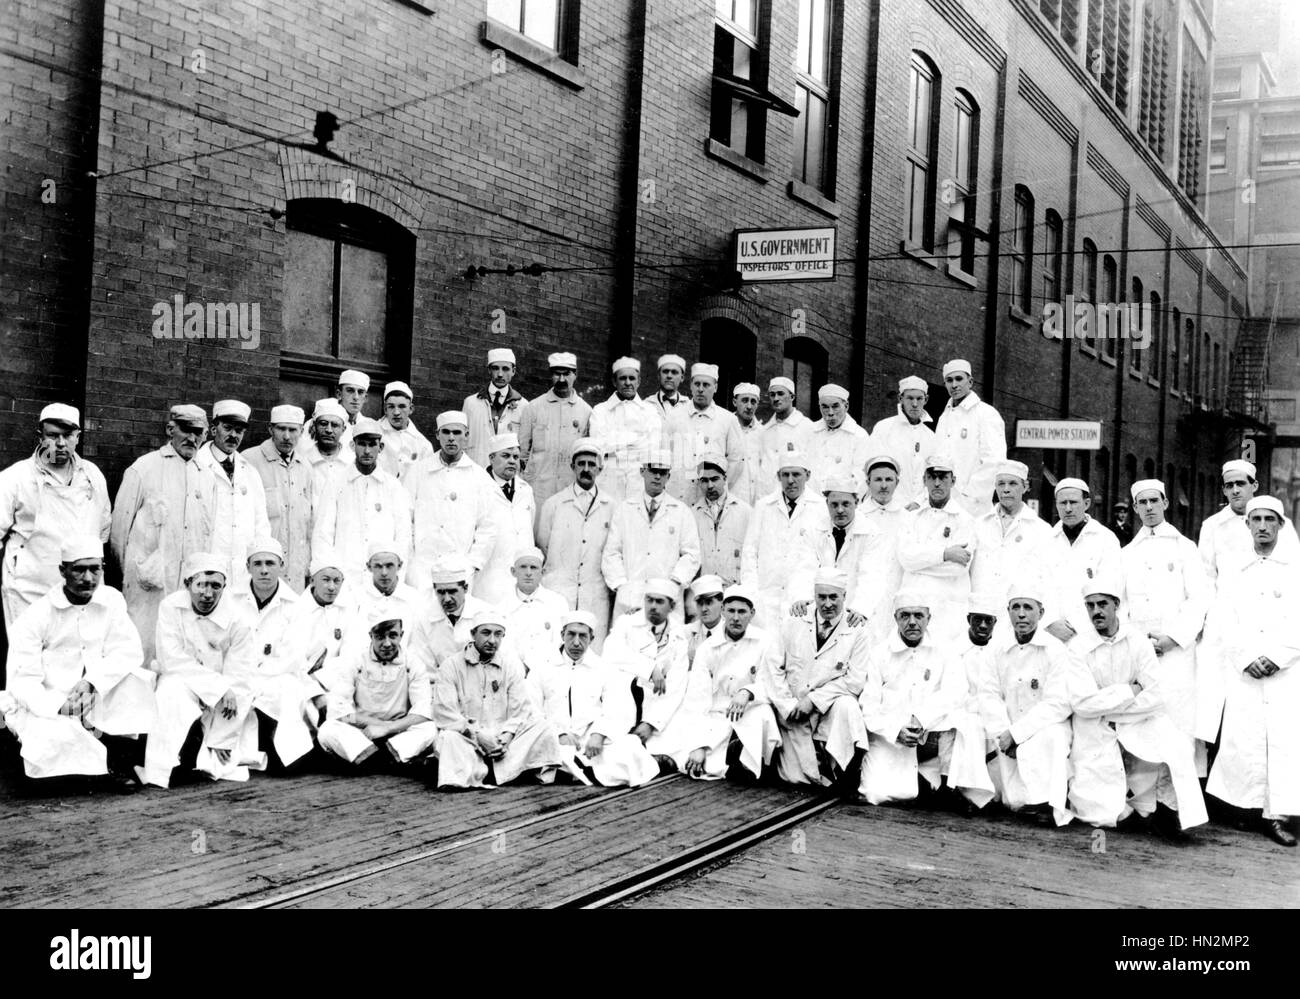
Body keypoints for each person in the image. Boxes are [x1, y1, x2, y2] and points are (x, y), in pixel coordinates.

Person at [1, 537, 155, 785]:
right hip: (52, 701)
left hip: (94, 693)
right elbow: (23, 681)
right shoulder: (36, 616)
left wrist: (92, 683)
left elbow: (128, 650)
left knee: (135, 683)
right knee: (53, 741)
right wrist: (59, 706)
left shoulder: (111, 600)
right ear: (63, 571)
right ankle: (101, 768)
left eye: (95, 569)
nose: (88, 578)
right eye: (79, 569)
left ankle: (115, 758)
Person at [1070, 579, 1209, 836]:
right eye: (1090, 605)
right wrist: (1129, 691)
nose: (1096, 611)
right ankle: (1127, 813)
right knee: (1095, 802)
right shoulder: (1078, 647)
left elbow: (1156, 696)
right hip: (1096, 726)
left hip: (1138, 719)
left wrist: (1109, 706)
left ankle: (1170, 811)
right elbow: (1081, 704)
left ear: (1116, 605)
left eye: (1102, 604)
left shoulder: (1138, 641)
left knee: (1177, 746)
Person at [1204, 496, 1300, 846]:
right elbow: (1224, 620)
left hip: (1286, 671)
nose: (1262, 525)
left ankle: (1277, 814)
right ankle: (1246, 808)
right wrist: (1245, 657)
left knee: (1283, 742)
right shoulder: (1235, 569)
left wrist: (1279, 655)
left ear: (1280, 524)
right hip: (1246, 669)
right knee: (1244, 739)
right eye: (1255, 519)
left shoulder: (1295, 567)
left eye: (1268, 519)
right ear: (1247, 525)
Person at [857, 591, 995, 809]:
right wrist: (896, 731)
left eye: (918, 616)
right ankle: (926, 784)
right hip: (892, 737)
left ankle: (952, 787)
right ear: (895, 618)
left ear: (928, 619)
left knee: (964, 721)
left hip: (930, 733)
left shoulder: (945, 650)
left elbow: (956, 691)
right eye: (905, 615)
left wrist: (922, 719)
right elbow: (869, 706)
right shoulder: (879, 654)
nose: (912, 622)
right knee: (877, 793)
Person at [138, 552, 263, 788]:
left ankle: (198, 750)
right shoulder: (170, 607)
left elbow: (240, 678)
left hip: (225, 696)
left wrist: (223, 737)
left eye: (215, 586)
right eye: (201, 585)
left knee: (216, 762)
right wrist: (218, 688)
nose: (207, 594)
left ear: (224, 586)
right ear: (188, 584)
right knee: (169, 692)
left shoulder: (239, 620)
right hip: (183, 681)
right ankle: (161, 770)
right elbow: (171, 659)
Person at [110, 404, 214, 661]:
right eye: (185, 430)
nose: (192, 438)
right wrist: (135, 573)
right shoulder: (144, 468)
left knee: (181, 651)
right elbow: (118, 533)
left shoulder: (207, 475)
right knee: (143, 648)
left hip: (187, 584)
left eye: (198, 432)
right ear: (170, 429)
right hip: (148, 584)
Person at [1121, 479, 1211, 772]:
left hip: (1176, 652)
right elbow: (1120, 604)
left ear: (1165, 503)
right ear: (1135, 508)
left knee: (1177, 720)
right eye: (1142, 503)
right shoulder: (1126, 554)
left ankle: (1173, 804)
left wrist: (1173, 637)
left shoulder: (1185, 548)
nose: (1149, 507)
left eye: (1154, 501)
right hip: (1141, 650)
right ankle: (1146, 805)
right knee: (1143, 722)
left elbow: (1198, 600)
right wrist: (1137, 643)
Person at [0, 404, 111, 628]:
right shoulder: (15, 478)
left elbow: (102, 529)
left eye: (68, 435)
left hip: (82, 590)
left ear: (78, 437)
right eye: (53, 435)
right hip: (29, 590)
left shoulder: (92, 476)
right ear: (40, 436)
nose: (60, 444)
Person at [976, 583, 1074, 825]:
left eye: (1028, 608)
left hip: (1042, 728)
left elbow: (1058, 703)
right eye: (1016, 607)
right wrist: (1003, 733)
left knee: (1055, 736)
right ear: (1007, 611)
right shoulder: (994, 649)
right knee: (1009, 798)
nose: (1021, 614)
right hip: (1004, 733)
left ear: (1041, 613)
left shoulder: (1056, 650)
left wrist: (1017, 733)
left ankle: (1046, 804)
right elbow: (988, 694)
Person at [431, 609, 562, 788]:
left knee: (544, 727)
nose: (492, 640)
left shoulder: (510, 666)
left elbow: (521, 709)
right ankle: (497, 771)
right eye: (486, 633)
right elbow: (444, 712)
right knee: (448, 738)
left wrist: (507, 736)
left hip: (502, 742)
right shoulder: (451, 666)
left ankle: (491, 770)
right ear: (473, 634)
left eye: (498, 634)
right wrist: (477, 735)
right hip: (468, 739)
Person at [533, 610, 658, 786]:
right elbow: (531, 709)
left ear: (592, 638)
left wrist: (599, 734)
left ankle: (574, 769)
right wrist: (557, 734)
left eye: (583, 636)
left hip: (590, 739)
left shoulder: (603, 668)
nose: (576, 642)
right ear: (562, 635)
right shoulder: (543, 667)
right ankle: (577, 769)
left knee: (630, 747)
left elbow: (618, 707)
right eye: (571, 634)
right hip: (552, 736)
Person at [228, 538, 321, 772]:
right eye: (257, 563)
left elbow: (293, 657)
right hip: (237, 675)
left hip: (277, 676)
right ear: (248, 567)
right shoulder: (230, 600)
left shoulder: (296, 606)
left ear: (281, 565)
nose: (264, 570)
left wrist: (257, 678)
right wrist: (244, 677)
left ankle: (287, 757)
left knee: (287, 692)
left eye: (270, 563)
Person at [771, 568, 870, 787]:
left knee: (848, 706)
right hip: (794, 711)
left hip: (828, 707)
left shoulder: (858, 630)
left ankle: (848, 770)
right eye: (821, 597)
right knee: (796, 778)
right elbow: (773, 668)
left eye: (833, 597)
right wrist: (789, 706)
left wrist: (814, 700)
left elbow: (854, 681)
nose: (827, 604)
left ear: (845, 596)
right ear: (813, 595)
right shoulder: (794, 621)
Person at [607, 580, 709, 774]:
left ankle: (655, 757)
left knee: (673, 731)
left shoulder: (678, 635)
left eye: (659, 602)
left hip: (658, 702)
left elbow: (677, 683)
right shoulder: (627, 623)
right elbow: (612, 653)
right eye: (649, 600)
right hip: (624, 696)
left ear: (671, 606)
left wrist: (652, 722)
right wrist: (650, 667)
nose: (653, 606)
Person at [317, 613, 439, 768]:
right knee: (328, 729)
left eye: (393, 636)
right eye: (380, 637)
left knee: (430, 729)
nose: (387, 643)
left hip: (399, 732)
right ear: (371, 636)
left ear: (401, 635)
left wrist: (388, 728)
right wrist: (373, 725)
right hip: (362, 733)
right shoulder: (355, 661)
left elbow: (423, 711)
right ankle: (388, 761)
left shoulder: (414, 663)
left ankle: (374, 760)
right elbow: (341, 712)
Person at [688, 585, 783, 781]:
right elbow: (697, 699)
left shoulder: (764, 641)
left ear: (752, 613)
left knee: (762, 715)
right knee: (706, 763)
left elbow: (770, 683)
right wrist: (698, 744)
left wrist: (748, 692)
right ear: (723, 611)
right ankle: (735, 757)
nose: (736, 618)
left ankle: (752, 762)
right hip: (718, 713)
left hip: (750, 708)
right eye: (731, 611)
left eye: (742, 612)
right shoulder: (707, 649)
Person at [405, 410, 498, 593]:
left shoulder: (479, 477)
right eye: (446, 432)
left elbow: (488, 527)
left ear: (466, 436)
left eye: (457, 433)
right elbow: (405, 518)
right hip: (422, 569)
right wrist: (411, 559)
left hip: (460, 571)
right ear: (437, 435)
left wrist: (472, 564)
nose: (451, 438)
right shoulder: (418, 472)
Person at [312, 416, 411, 585]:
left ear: (380, 447)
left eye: (372, 444)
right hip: (345, 576)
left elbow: (403, 534)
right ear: (352, 446)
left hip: (382, 577)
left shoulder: (393, 486)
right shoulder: (336, 483)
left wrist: (395, 577)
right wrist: (330, 577)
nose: (366, 451)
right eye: (362, 444)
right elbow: (323, 533)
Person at [602, 450, 700, 618]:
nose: (657, 477)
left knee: (665, 641)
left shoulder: (681, 512)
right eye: (653, 471)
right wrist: (623, 588)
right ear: (642, 471)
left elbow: (692, 555)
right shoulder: (625, 509)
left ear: (668, 476)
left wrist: (672, 585)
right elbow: (611, 553)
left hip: (667, 599)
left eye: (662, 473)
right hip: (630, 600)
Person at [536, 439, 616, 646]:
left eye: (591, 464)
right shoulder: (554, 504)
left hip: (595, 593)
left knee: (593, 650)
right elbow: (543, 545)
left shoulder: (612, 507)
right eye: (581, 464)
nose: (586, 469)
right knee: (556, 647)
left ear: (600, 467)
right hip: (560, 591)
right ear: (572, 467)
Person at [896, 456, 978, 645]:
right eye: (932, 477)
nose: (937, 483)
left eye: (943, 477)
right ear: (924, 480)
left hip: (947, 608)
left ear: (953, 481)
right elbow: (905, 558)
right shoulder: (910, 517)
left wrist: (919, 561)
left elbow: (959, 568)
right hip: (915, 606)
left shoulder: (966, 520)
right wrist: (945, 554)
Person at [741, 451, 828, 628]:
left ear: (807, 475)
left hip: (803, 599)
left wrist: (812, 595)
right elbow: (750, 552)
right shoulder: (763, 506)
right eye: (785, 475)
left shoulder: (820, 508)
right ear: (778, 476)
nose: (790, 480)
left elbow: (825, 558)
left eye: (796, 474)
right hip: (766, 597)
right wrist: (752, 593)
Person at [192, 400, 270, 595]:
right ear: (213, 429)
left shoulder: (250, 471)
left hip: (243, 570)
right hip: (207, 567)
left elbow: (261, 523)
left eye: (239, 430)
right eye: (227, 428)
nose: (233, 435)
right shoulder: (196, 466)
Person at [241, 404, 313, 590]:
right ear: (270, 429)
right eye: (281, 429)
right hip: (262, 567)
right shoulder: (249, 460)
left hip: (295, 568)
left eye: (292, 430)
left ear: (302, 431)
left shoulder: (305, 467)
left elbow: (309, 523)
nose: (287, 436)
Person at [1042, 477, 1121, 645]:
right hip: (1050, 634)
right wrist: (1049, 622)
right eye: (1062, 503)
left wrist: (1077, 626)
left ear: (1087, 503)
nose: (1068, 509)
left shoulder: (1105, 539)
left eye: (1074, 502)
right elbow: (1038, 584)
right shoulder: (1045, 540)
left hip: (1090, 633)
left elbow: (1110, 588)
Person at [1198, 458, 1300, 584]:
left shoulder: (1281, 523)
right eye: (1229, 486)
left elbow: (1294, 567)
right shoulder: (1212, 526)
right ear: (1224, 490)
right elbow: (1206, 574)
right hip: (1228, 600)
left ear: (1254, 486)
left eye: (1240, 484)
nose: (1235, 490)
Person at [970, 460, 1053, 611]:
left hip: (1018, 614)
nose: (1006, 489)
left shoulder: (1041, 530)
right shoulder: (978, 525)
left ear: (1025, 487)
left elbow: (1048, 579)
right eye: (1001, 484)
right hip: (982, 612)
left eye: (1012, 484)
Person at [519, 351, 591, 509]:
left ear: (575, 374)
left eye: (567, 374)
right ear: (551, 375)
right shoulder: (534, 407)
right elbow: (522, 454)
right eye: (557, 374)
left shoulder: (586, 411)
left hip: (570, 488)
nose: (562, 379)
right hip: (539, 490)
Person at [933, 359, 1006, 515]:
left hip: (973, 506)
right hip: (943, 502)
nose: (954, 385)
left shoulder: (986, 414)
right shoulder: (944, 417)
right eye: (949, 380)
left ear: (970, 382)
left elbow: (995, 461)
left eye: (959, 379)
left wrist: (968, 494)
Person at [588, 356, 663, 503]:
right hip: (608, 480)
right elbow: (599, 446)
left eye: (632, 378)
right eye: (623, 378)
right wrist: (635, 440)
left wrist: (616, 444)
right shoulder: (601, 410)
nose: (628, 383)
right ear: (614, 381)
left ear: (638, 381)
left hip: (638, 481)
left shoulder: (650, 411)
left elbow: (652, 448)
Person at [668, 362, 743, 504]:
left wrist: (719, 485)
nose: (700, 389)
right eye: (697, 384)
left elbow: (737, 459)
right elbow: (664, 453)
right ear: (691, 385)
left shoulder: (727, 419)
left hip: (711, 497)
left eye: (706, 385)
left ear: (715, 387)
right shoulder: (674, 416)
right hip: (678, 495)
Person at [476, 432, 537, 605]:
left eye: (516, 457)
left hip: (519, 577)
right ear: (491, 458)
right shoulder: (480, 488)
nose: (512, 461)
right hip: (489, 577)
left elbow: (529, 524)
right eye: (506, 456)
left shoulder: (526, 490)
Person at [284, 550, 355, 687]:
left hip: (336, 681)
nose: (331, 587)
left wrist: (321, 678)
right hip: (299, 681)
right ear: (312, 581)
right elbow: (292, 656)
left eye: (336, 581)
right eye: (326, 580)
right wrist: (308, 683)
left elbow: (350, 655)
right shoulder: (297, 609)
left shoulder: (348, 610)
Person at [409, 563, 495, 669]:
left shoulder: (487, 614)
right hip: (440, 682)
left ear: (465, 588)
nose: (447, 599)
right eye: (441, 592)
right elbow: (424, 666)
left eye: (452, 591)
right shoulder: (424, 619)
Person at [869, 376, 936, 509]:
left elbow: (933, 476)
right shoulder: (884, 428)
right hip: (889, 505)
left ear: (926, 400)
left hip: (920, 509)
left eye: (919, 398)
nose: (915, 404)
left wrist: (919, 501)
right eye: (910, 398)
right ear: (901, 399)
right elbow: (874, 470)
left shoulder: (931, 436)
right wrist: (897, 502)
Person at [499, 548, 569, 674]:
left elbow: (559, 642)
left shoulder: (557, 602)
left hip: (548, 672)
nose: (528, 573)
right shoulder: (501, 606)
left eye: (533, 567)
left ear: (542, 572)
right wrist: (519, 669)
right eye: (523, 567)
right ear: (513, 571)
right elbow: (503, 645)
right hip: (511, 673)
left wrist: (533, 666)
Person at [691, 453, 751, 586]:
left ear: (725, 478)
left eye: (714, 479)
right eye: (704, 480)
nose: (710, 485)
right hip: (705, 591)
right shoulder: (692, 515)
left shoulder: (745, 512)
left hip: (736, 590)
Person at [464, 347, 528, 469]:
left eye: (505, 369)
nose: (500, 374)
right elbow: (464, 441)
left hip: (507, 474)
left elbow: (525, 447)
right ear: (489, 370)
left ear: (513, 371)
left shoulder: (523, 406)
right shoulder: (471, 403)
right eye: (495, 368)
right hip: (477, 469)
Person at [351, 541, 426, 639]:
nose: (384, 573)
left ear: (399, 565)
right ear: (369, 567)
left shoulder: (414, 598)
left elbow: (419, 642)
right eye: (378, 566)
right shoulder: (355, 598)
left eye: (389, 566)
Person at [806, 384, 871, 490]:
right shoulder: (810, 432)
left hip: (842, 501)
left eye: (835, 406)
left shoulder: (859, 436)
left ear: (846, 406)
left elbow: (861, 477)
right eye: (825, 407)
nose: (830, 412)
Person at [756, 376, 812, 498]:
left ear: (792, 397)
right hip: (768, 497)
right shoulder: (765, 431)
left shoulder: (807, 427)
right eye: (772, 395)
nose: (776, 398)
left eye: (780, 394)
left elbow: (812, 468)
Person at [377, 381, 433, 481]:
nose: (396, 412)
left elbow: (426, 480)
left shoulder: (422, 444)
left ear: (411, 409)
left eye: (402, 406)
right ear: (385, 409)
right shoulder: (374, 433)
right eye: (391, 406)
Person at [730, 382, 764, 506]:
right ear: (735, 402)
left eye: (753, 401)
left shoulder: (763, 433)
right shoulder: (726, 427)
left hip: (756, 502)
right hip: (732, 498)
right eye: (744, 400)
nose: (749, 406)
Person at [334, 369, 371, 443]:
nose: (356, 397)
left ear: (365, 398)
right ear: (339, 394)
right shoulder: (325, 424)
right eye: (350, 390)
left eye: (360, 392)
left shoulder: (370, 426)